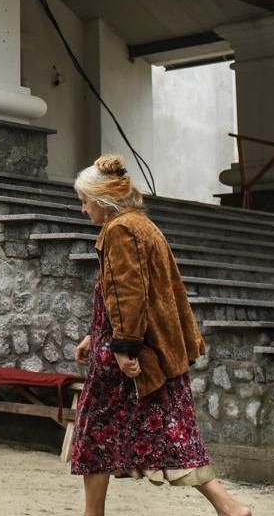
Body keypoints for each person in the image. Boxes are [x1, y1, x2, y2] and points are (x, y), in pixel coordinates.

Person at [68, 154, 250, 516]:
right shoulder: (141, 223)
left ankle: (93, 514)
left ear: (102, 199)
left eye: (85, 202)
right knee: (172, 433)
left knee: (94, 436)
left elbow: (130, 292)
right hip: (153, 348)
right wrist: (97, 333)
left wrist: (123, 346)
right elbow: (121, 293)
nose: (83, 209)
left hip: (134, 353)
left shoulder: (119, 230)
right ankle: (228, 507)